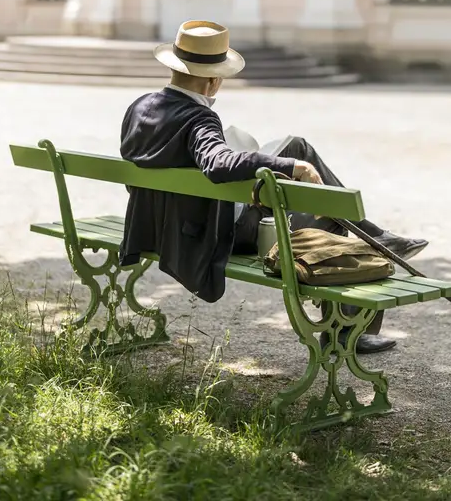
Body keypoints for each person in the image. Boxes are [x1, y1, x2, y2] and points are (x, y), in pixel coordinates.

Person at [117, 20, 429, 355]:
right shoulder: (198, 118)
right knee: (322, 203)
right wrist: (290, 166)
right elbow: (217, 163)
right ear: (213, 80)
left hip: (158, 228)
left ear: (175, 67)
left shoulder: (141, 106)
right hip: (208, 235)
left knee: (298, 159)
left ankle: (371, 237)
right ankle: (348, 322)